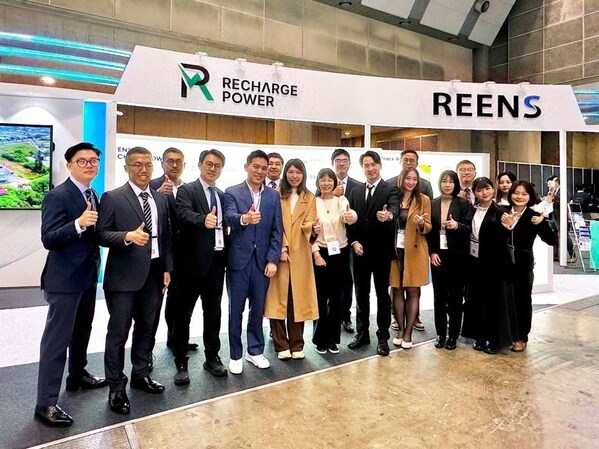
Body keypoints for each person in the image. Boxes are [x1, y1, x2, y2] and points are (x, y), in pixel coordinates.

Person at [34, 142, 107, 427]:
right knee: (56, 342)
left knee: (82, 331)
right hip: (63, 280)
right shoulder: (57, 195)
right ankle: (46, 403)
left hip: (87, 276)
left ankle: (77, 375)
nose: (89, 165)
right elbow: (48, 238)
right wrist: (78, 223)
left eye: (94, 161)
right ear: (69, 165)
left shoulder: (92, 193)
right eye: (82, 161)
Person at [97, 147, 173, 415]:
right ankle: (116, 387)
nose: (143, 169)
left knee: (146, 328)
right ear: (127, 167)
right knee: (118, 333)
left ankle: (141, 374)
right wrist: (127, 236)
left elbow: (166, 237)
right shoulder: (113, 197)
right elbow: (101, 234)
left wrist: (167, 268)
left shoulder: (160, 199)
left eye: (147, 165)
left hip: (154, 274)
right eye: (137, 164)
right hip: (123, 278)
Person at [171, 149, 229, 384]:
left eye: (217, 165)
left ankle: (212, 357)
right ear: (200, 165)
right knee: (183, 314)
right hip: (190, 265)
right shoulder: (187, 190)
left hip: (216, 264)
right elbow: (183, 214)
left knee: (213, 312)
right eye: (209, 164)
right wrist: (203, 220)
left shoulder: (222, 195)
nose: (213, 168)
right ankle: (180, 361)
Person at [223, 150, 283, 374]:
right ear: (247, 167)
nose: (260, 171)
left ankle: (255, 351)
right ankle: (235, 355)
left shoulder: (273, 196)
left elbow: (277, 229)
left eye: (263, 168)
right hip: (238, 262)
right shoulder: (232, 192)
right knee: (235, 310)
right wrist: (244, 219)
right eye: (256, 167)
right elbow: (228, 217)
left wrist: (273, 259)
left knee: (257, 310)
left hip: (262, 263)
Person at [265, 159, 319, 360]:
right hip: (278, 254)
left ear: (303, 175)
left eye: (298, 172)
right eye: (291, 172)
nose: (294, 176)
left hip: (301, 255)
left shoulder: (309, 197)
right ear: (285, 173)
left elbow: (309, 222)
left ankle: (297, 344)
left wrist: (315, 229)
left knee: (298, 300)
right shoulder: (275, 194)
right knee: (277, 300)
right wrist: (282, 247)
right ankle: (281, 344)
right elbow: (273, 223)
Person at [346, 150, 396, 356]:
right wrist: (354, 241)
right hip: (360, 252)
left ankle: (383, 337)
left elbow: (393, 209)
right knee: (361, 294)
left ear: (379, 166)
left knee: (383, 295)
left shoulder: (390, 188)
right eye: (366, 165)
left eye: (373, 164)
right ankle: (362, 333)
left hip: (382, 252)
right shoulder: (355, 191)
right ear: (362, 168)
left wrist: (388, 215)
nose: (370, 168)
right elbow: (349, 220)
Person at [149, 147, 195, 360]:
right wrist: (158, 196)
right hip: (159, 256)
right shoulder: (151, 187)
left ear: (184, 165)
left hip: (185, 256)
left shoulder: (190, 189)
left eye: (178, 161)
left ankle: (176, 339)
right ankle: (145, 352)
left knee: (179, 302)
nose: (174, 165)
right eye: (170, 161)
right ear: (162, 163)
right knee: (153, 306)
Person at [500, 181, 556, 352]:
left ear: (530, 196)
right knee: (502, 300)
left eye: (524, 194)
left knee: (522, 301)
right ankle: (502, 335)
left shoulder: (534, 216)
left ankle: (520, 337)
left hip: (522, 266)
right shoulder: (501, 211)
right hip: (501, 264)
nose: (519, 197)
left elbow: (552, 240)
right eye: (516, 193)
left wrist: (542, 222)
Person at [461, 177, 515, 355]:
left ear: (493, 190)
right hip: (475, 263)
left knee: (494, 303)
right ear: (474, 193)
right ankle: (480, 336)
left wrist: (508, 226)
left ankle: (495, 339)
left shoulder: (501, 211)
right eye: (479, 190)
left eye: (487, 188)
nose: (484, 193)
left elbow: (504, 236)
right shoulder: (472, 210)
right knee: (477, 301)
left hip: (495, 264)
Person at [311, 168, 357, 354]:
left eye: (329, 180)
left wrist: (350, 217)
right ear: (318, 183)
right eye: (322, 180)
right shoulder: (313, 202)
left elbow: (350, 215)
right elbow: (309, 234)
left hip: (340, 251)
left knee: (337, 297)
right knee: (321, 297)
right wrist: (316, 254)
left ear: (335, 182)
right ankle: (320, 339)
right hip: (321, 252)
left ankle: (333, 339)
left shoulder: (341, 200)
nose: (326, 183)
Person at [387, 149, 433, 331]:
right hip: (395, 248)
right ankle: (398, 322)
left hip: (415, 248)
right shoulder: (392, 191)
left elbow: (429, 224)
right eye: (408, 178)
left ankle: (411, 325)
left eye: (414, 179)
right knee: (396, 288)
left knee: (413, 288)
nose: (411, 182)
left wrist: (422, 223)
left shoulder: (424, 196)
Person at [426, 170, 472, 351]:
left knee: (455, 297)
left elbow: (469, 228)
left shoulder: (462, 203)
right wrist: (432, 252)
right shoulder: (433, 203)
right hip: (438, 255)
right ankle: (440, 333)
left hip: (458, 256)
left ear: (455, 184)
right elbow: (430, 231)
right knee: (439, 296)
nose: (447, 184)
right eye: (444, 181)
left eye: (451, 181)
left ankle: (453, 335)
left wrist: (457, 225)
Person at [329, 148, 360, 334]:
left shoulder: (357, 186)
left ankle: (346, 316)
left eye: (344, 160)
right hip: (329, 242)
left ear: (349, 163)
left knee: (348, 281)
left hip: (350, 241)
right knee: (331, 280)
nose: (341, 163)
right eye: (338, 160)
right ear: (333, 163)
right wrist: (332, 193)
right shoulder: (325, 183)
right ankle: (331, 316)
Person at [544, 175, 575, 262]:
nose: (548, 186)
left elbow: (564, 201)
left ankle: (572, 254)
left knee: (564, 235)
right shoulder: (552, 190)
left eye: (550, 183)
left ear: (556, 182)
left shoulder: (563, 190)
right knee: (552, 235)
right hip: (553, 216)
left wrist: (553, 195)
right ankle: (555, 255)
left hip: (561, 216)